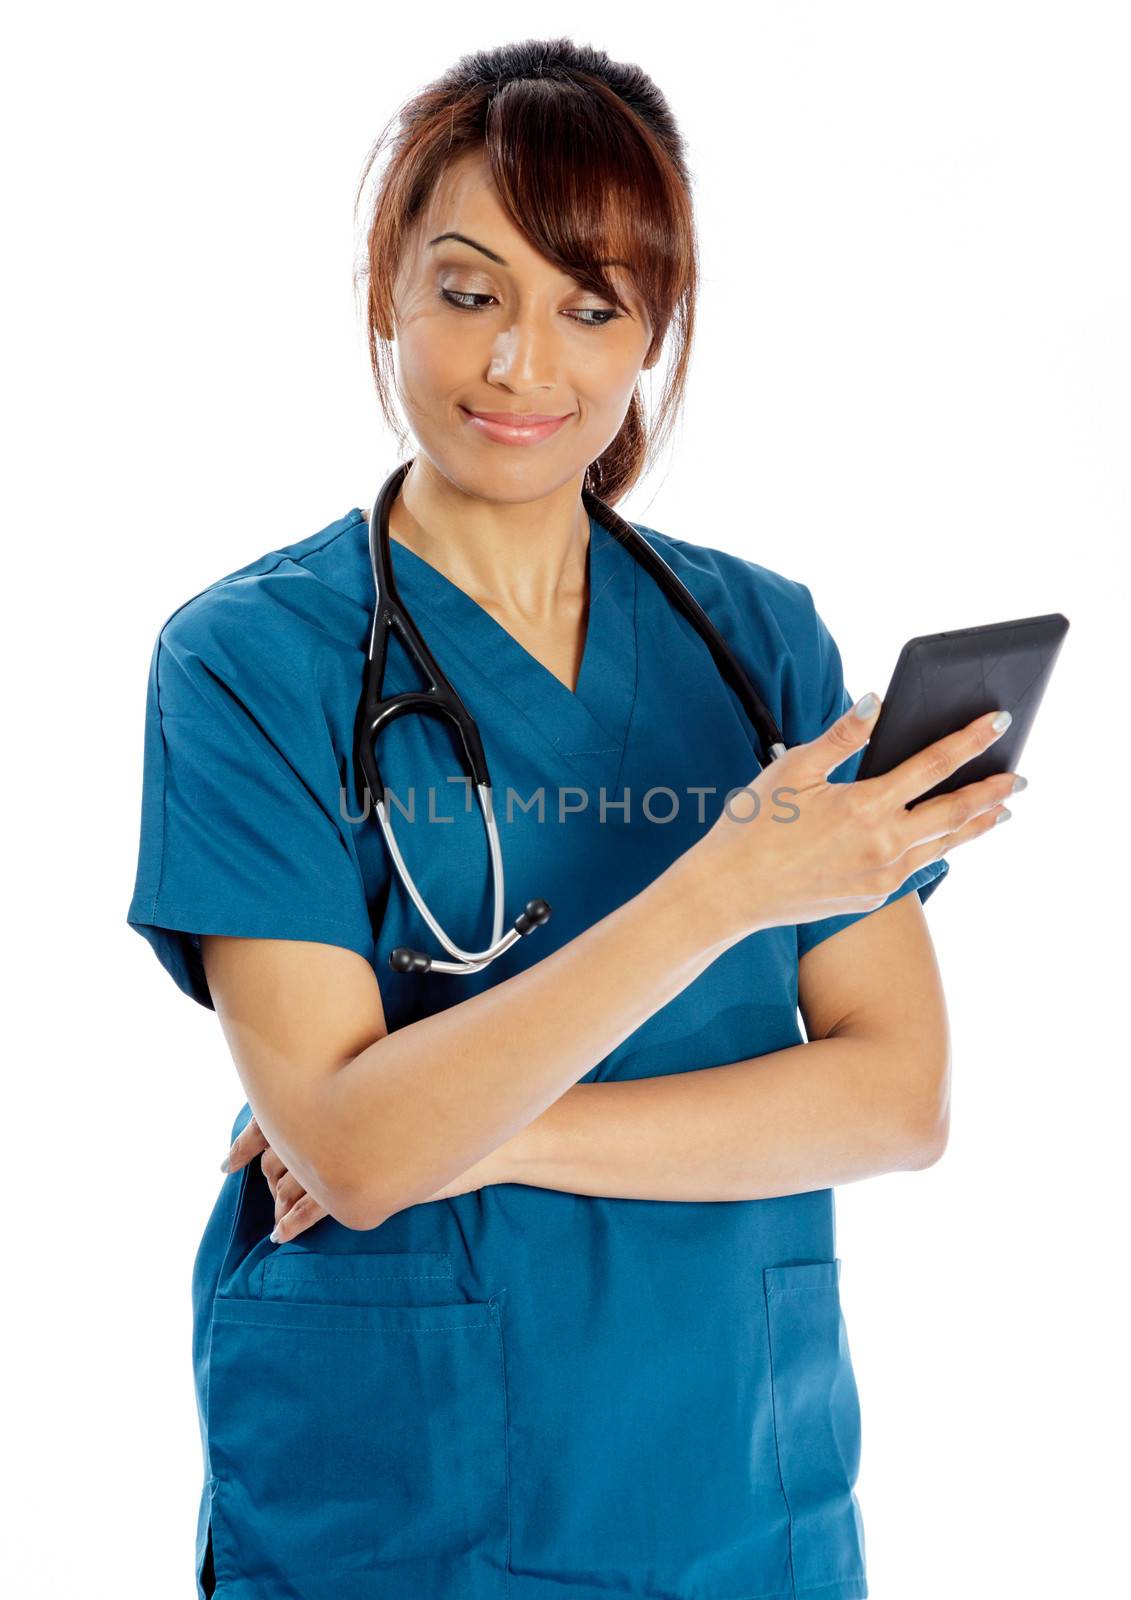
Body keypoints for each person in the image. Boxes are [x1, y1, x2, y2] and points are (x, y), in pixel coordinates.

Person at [125, 37, 1021, 1600]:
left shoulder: (760, 645)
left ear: (650, 333)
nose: (521, 368)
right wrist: (727, 885)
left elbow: (897, 1103)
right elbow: (346, 1143)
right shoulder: (253, 661)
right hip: (398, 1489)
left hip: (739, 1478)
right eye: (470, 292)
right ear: (386, 293)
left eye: (589, 306)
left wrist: (476, 1134)